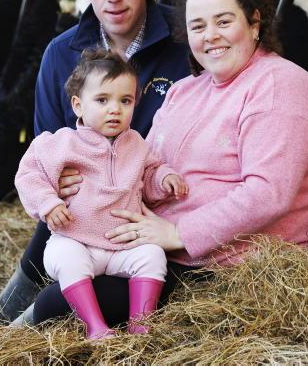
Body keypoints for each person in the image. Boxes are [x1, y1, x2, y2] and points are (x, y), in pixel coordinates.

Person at [21, 0, 308, 326]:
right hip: (161, 242)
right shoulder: (186, 90)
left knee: (57, 305)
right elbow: (150, 166)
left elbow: (268, 193)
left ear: (254, 23)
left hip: (230, 262)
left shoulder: (278, 87)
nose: (210, 36)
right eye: (198, 26)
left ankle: (3, 335)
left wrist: (176, 233)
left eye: (224, 22)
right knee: (55, 236)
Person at [0, 0, 191, 324]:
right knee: (52, 233)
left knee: (65, 302)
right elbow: (46, 149)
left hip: (161, 218)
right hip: (85, 216)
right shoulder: (60, 55)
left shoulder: (186, 40)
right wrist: (55, 184)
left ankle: (17, 331)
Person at [15, 49, 188, 339]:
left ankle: (141, 324)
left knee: (152, 256)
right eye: (102, 100)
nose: (115, 109)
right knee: (67, 259)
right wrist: (48, 203)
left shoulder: (137, 145)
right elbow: (29, 175)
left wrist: (165, 179)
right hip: (76, 239)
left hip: (122, 246)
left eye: (125, 101)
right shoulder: (62, 144)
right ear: (78, 105)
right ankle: (95, 326)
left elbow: (150, 175)